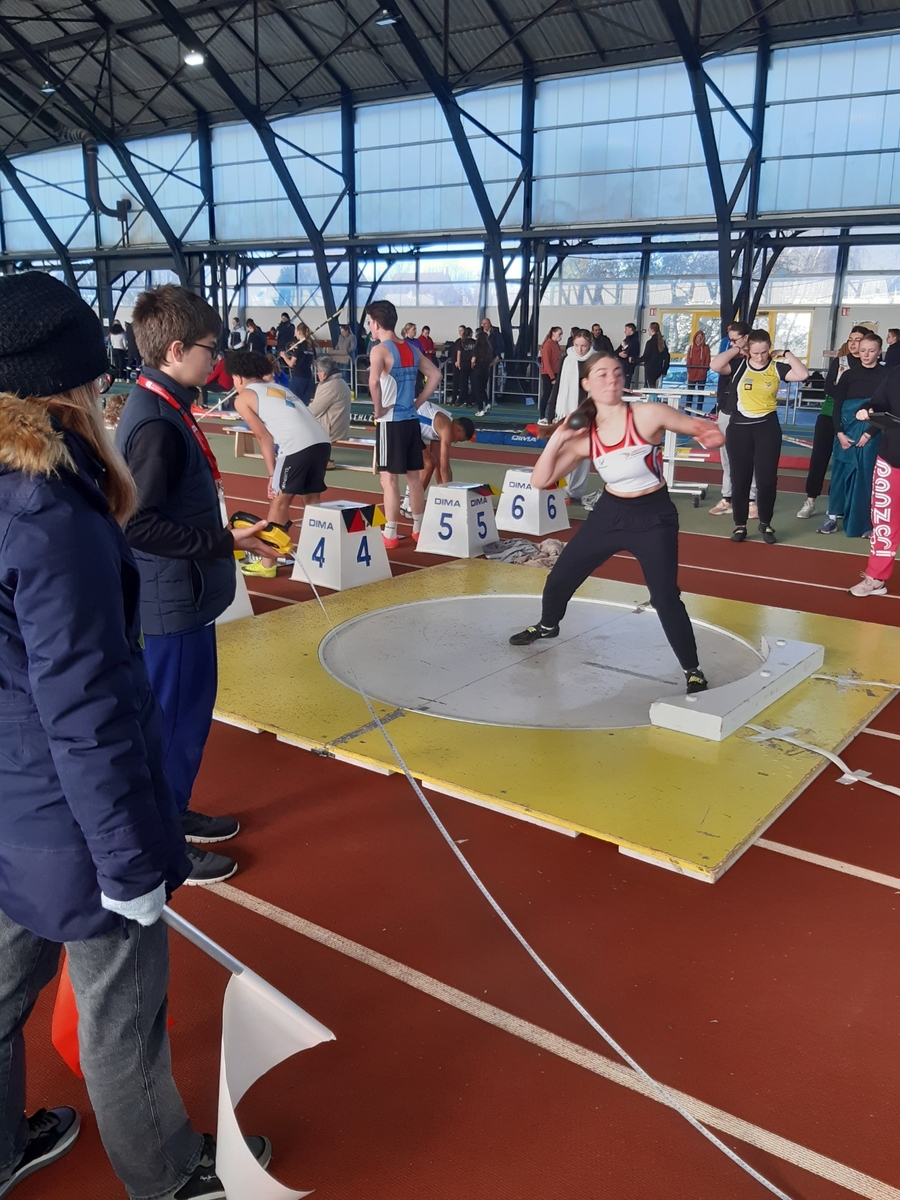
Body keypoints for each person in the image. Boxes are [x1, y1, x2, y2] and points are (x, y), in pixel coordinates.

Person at [0, 271, 270, 1200]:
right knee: (123, 1012)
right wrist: (128, 864)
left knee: (1, 991)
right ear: (68, 386)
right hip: (71, 816)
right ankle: (167, 1176)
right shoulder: (46, 509)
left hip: (11, 801)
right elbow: (84, 704)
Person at [116, 285, 276, 884]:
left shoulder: (166, 405)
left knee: (184, 717)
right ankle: (164, 843)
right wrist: (220, 541)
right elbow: (138, 523)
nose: (218, 361)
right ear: (176, 350)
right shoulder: (156, 422)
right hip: (171, 600)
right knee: (174, 723)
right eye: (211, 349)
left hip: (184, 594)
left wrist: (222, 536)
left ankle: (174, 810)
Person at [508, 351, 725, 695]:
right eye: (602, 374)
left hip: (653, 517)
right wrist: (560, 436)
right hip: (609, 514)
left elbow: (699, 428)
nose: (611, 379)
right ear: (586, 384)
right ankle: (548, 625)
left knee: (665, 597)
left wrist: (709, 433)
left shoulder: (647, 414)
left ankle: (692, 669)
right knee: (561, 577)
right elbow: (539, 480)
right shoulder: (586, 437)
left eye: (617, 373)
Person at [229, 350, 331, 566]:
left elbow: (263, 437)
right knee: (311, 499)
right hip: (322, 442)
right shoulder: (278, 387)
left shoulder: (243, 398)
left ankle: (268, 564)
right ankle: (318, 557)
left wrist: (272, 475)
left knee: (279, 500)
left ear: (238, 377)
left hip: (296, 445)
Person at [711, 328, 808, 543]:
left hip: (767, 429)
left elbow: (802, 375)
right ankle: (740, 525)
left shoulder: (776, 367)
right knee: (740, 479)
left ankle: (765, 523)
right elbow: (715, 365)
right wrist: (737, 348)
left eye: (764, 352)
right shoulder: (739, 365)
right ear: (749, 350)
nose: (760, 357)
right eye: (755, 352)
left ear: (770, 349)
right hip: (739, 429)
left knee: (766, 480)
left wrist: (787, 354)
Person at [366, 299, 442, 548]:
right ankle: (418, 529)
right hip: (410, 421)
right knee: (413, 478)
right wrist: (417, 402)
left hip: (390, 422)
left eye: (369, 322)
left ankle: (390, 533)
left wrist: (378, 409)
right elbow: (436, 375)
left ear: (377, 324)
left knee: (388, 480)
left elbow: (373, 382)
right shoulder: (411, 348)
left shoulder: (379, 350)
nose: (369, 327)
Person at [817, 331, 889, 537]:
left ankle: (864, 522)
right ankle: (832, 517)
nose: (865, 354)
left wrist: (870, 433)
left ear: (879, 352)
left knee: (865, 476)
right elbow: (837, 406)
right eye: (863, 350)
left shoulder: (887, 375)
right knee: (840, 473)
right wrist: (839, 432)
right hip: (846, 430)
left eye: (871, 351)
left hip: (872, 432)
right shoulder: (848, 375)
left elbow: (887, 408)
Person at [797, 326, 865, 520]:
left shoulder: (869, 367)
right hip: (828, 415)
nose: (853, 343)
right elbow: (829, 388)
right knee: (819, 458)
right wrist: (849, 396)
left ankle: (837, 504)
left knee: (845, 462)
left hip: (852, 420)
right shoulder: (840, 362)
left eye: (858, 340)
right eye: (851, 339)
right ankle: (810, 501)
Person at [847, 369, 900, 595]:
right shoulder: (896, 375)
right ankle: (875, 578)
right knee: (884, 522)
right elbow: (877, 403)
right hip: (891, 458)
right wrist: (867, 409)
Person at [708, 321, 758, 519]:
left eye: (734, 339)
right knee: (727, 458)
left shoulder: (758, 360)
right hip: (728, 412)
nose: (731, 343)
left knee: (749, 458)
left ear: (746, 337)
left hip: (750, 414)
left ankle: (751, 500)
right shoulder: (734, 360)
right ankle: (727, 498)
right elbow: (715, 365)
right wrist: (737, 348)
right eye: (730, 340)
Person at [549, 329, 596, 500]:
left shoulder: (596, 360)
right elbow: (558, 388)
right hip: (568, 411)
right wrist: (551, 413)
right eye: (577, 345)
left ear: (590, 345)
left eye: (584, 346)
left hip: (589, 412)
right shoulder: (567, 359)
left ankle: (576, 491)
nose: (580, 349)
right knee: (566, 451)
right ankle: (563, 489)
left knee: (584, 454)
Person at [309, 353, 351, 462]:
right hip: (337, 426)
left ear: (323, 374)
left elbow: (314, 411)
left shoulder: (330, 387)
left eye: (318, 371)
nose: (317, 374)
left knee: (301, 425)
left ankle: (319, 459)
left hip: (331, 430)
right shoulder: (339, 382)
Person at [281, 322, 316, 404]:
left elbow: (291, 364)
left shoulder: (299, 346)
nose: (295, 334)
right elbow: (313, 361)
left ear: (299, 332)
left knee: (292, 400)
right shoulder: (311, 345)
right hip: (308, 376)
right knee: (305, 402)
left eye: (296, 332)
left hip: (298, 376)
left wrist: (284, 356)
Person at [477, 317, 504, 415]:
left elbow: (500, 346)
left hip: (493, 359)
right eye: (482, 324)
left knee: (493, 380)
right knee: (481, 383)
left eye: (486, 323)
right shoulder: (480, 333)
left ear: (489, 324)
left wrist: (496, 358)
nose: (484, 325)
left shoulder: (496, 333)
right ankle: (485, 400)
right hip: (482, 361)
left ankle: (492, 399)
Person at [539, 326, 563, 425]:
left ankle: (553, 415)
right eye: (559, 334)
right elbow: (547, 363)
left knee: (555, 396)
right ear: (553, 333)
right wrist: (552, 377)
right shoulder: (548, 345)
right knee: (546, 395)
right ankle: (541, 417)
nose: (561, 337)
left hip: (555, 373)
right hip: (547, 374)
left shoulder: (556, 344)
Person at [685, 329, 711, 410]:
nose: (699, 339)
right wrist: (689, 370)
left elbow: (707, 360)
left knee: (701, 393)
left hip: (701, 374)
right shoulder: (691, 348)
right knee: (690, 393)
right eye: (697, 337)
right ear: (695, 337)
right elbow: (688, 360)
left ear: (703, 338)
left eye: (700, 337)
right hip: (692, 374)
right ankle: (688, 410)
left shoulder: (706, 348)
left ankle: (699, 410)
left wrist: (704, 371)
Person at [641, 321, 670, 389]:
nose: (648, 330)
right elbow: (667, 357)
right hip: (658, 369)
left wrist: (634, 361)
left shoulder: (650, 342)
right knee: (652, 387)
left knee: (649, 387)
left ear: (652, 329)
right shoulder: (662, 342)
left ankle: (652, 396)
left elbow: (645, 357)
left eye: (649, 328)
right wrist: (664, 370)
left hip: (650, 369)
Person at [470, 329, 493, 414]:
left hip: (478, 369)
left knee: (478, 390)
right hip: (486, 370)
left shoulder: (476, 348)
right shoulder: (489, 349)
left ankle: (480, 409)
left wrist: (472, 365)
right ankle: (487, 402)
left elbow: (473, 360)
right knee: (482, 388)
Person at [454, 325, 475, 406]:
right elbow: (475, 354)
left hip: (464, 363)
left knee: (463, 383)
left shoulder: (461, 342)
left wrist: (458, 363)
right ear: (471, 334)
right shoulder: (474, 342)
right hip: (472, 364)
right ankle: (471, 400)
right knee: (473, 383)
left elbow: (459, 353)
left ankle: (462, 400)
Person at [617, 322, 641, 387]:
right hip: (622, 367)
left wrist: (629, 355)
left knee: (625, 386)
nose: (624, 331)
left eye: (626, 329)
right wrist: (619, 354)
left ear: (631, 329)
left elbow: (634, 353)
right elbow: (616, 351)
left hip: (628, 368)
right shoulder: (625, 340)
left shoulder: (635, 342)